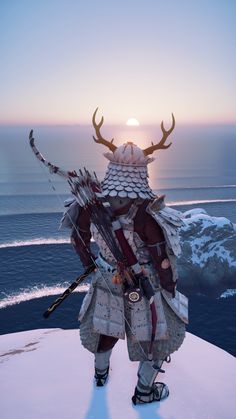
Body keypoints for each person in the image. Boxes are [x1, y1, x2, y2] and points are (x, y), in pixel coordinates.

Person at [64, 109, 188, 405]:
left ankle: (100, 374)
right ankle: (145, 392)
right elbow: (160, 256)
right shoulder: (145, 212)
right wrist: (168, 285)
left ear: (113, 168)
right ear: (140, 172)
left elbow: (78, 237)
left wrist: (91, 266)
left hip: (107, 278)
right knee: (158, 334)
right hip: (144, 282)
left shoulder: (90, 204)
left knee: (106, 326)